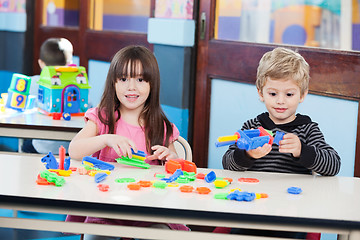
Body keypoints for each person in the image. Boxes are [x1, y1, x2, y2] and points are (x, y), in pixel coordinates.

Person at [66, 45, 189, 239]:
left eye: (140, 79)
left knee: (165, 235)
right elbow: (74, 150)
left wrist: (171, 157)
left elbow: (177, 168)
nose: (131, 87)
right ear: (113, 83)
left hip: (149, 211)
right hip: (106, 209)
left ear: (152, 84)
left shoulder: (161, 126)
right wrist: (105, 138)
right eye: (123, 79)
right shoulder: (103, 117)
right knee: (95, 235)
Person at [221, 47, 341, 239]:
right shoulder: (252, 126)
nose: (281, 102)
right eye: (273, 93)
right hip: (252, 209)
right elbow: (227, 162)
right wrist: (248, 154)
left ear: (302, 95)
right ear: (261, 93)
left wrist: (303, 151)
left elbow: (333, 164)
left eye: (289, 94)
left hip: (292, 212)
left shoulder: (307, 129)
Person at [21, 38, 74, 154]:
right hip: (68, 148)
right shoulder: (77, 87)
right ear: (70, 64)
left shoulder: (31, 83)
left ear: (41, 63)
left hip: (39, 146)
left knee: (25, 145)